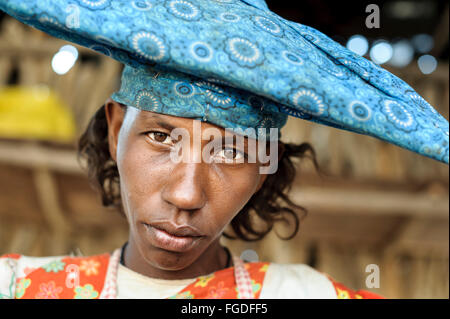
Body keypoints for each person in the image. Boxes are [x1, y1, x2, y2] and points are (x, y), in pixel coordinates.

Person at [0, 0, 447, 299]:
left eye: (231, 152)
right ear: (117, 129)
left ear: (265, 168)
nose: (186, 195)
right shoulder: (18, 286)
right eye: (161, 136)